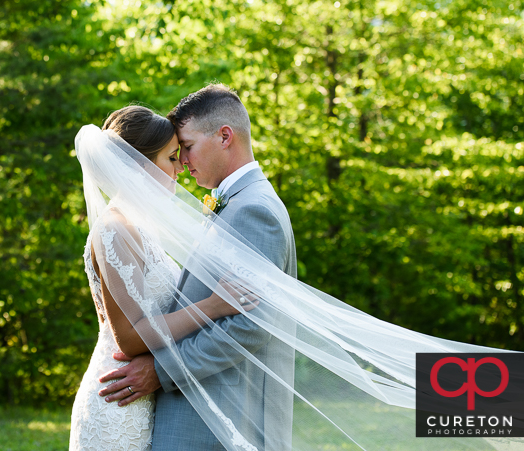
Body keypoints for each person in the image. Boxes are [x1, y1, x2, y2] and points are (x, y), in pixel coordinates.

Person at [71, 85, 522, 451]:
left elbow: (250, 325)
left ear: (224, 136)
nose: (183, 163)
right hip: (178, 411)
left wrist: (161, 371)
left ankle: (505, 401)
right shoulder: (232, 205)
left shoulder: (253, 210)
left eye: (185, 148)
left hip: (215, 418)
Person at [69, 105, 258, 451]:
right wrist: (212, 307)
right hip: (118, 406)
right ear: (139, 166)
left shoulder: (140, 226)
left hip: (142, 399)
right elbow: (128, 337)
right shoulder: (115, 229)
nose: (179, 168)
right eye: (171, 158)